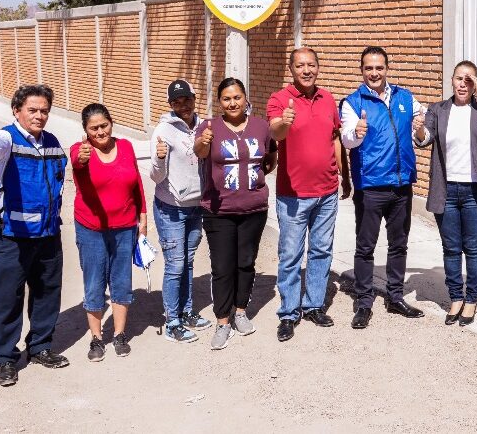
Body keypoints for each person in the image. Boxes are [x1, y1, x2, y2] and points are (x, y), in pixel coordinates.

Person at [0, 84, 69, 387]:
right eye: (33, 110)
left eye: (44, 110)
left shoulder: (53, 142)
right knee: (8, 297)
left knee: (47, 292)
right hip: (12, 235)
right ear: (17, 110)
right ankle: (5, 358)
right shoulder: (6, 139)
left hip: (48, 232)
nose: (39, 115)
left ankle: (40, 347)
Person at [267, 47, 351, 342]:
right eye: (300, 65)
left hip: (327, 191)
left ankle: (314, 304)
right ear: (291, 69)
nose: (307, 70)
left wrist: (345, 177)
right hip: (293, 195)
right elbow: (275, 133)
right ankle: (289, 312)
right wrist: (285, 121)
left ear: (318, 68)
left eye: (311, 65)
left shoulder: (328, 98)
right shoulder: (280, 100)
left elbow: (335, 139)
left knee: (321, 251)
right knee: (290, 255)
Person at [341, 46, 428, 329]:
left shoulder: (404, 97)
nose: (374, 73)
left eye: (379, 67)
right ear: (362, 70)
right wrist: (356, 133)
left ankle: (395, 297)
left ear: (387, 68)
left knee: (399, 245)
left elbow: (422, 124)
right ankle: (364, 303)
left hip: (402, 186)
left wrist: (420, 126)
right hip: (371, 186)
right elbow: (346, 139)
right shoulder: (353, 102)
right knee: (365, 247)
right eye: (369, 68)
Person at [416, 61, 477, 326]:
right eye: (458, 78)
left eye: (469, 79)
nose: (463, 83)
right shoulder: (438, 109)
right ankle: (455, 297)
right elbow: (424, 138)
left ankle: (471, 299)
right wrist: (419, 127)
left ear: (475, 83)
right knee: (451, 248)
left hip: (475, 190)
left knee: (473, 249)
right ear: (451, 80)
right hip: (447, 189)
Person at [195, 78, 277, 350]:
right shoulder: (209, 127)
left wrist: (260, 176)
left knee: (246, 262)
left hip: (254, 208)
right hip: (219, 210)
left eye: (237, 97)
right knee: (222, 267)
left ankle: (241, 311)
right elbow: (200, 151)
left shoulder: (260, 126)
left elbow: (270, 156)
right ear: (220, 102)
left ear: (245, 99)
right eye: (227, 99)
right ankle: (222, 321)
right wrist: (204, 142)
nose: (233, 103)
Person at [70, 104, 147, 361]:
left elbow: (136, 184)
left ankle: (120, 334)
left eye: (104, 125)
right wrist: (81, 157)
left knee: (121, 280)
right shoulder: (81, 151)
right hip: (91, 229)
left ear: (111, 123)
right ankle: (96, 338)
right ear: (86, 130)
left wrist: (143, 216)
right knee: (94, 282)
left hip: (125, 227)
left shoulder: (125, 147)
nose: (100, 132)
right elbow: (77, 164)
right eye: (94, 128)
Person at [150, 79, 210, 344]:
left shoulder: (205, 126)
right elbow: (155, 176)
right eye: (177, 102)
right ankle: (172, 321)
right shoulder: (163, 130)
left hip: (196, 207)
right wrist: (160, 157)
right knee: (175, 266)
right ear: (171, 105)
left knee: (187, 261)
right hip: (171, 209)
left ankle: (186, 312)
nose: (183, 105)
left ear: (194, 99)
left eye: (187, 99)